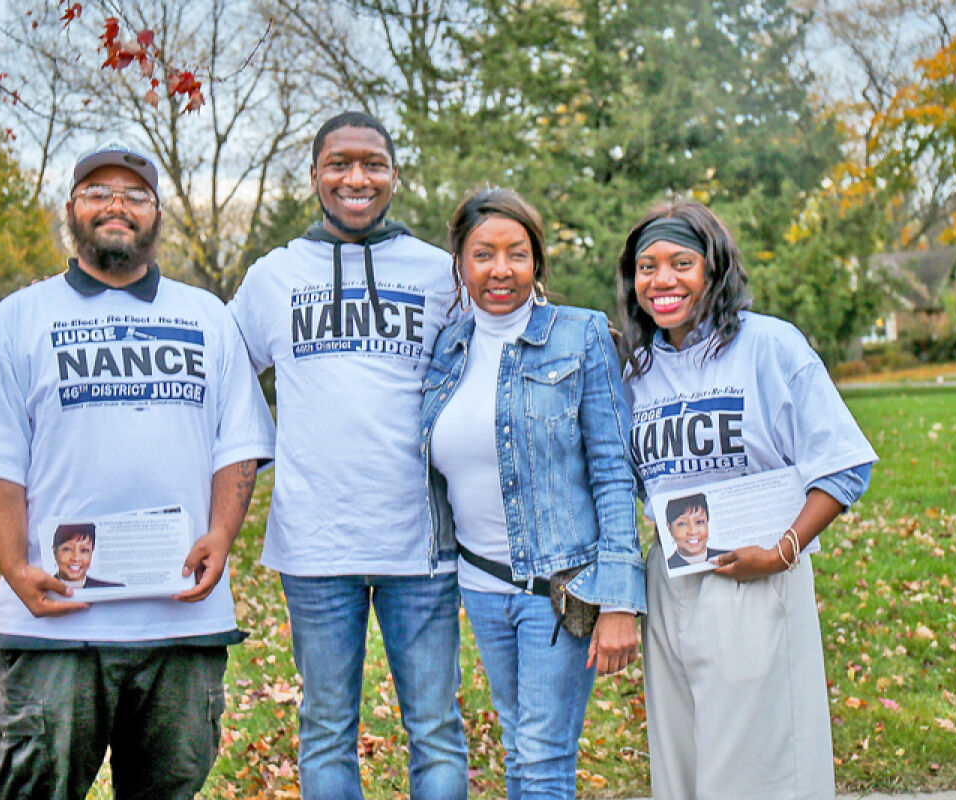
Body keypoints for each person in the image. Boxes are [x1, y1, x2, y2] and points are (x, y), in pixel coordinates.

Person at [0, 142, 276, 800]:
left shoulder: (207, 316)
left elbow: (240, 444)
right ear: (72, 211)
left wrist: (224, 536)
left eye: (135, 195)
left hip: (182, 619)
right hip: (56, 623)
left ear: (157, 215)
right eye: (97, 193)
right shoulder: (20, 319)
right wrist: (14, 567)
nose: (116, 205)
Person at [228, 112, 467, 800]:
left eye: (372, 163)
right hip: (313, 543)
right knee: (327, 725)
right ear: (315, 176)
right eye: (339, 164)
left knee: (436, 726)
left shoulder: (438, 274)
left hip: (420, 543)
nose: (355, 178)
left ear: (393, 175)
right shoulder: (274, 277)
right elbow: (223, 376)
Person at [617, 200, 877, 800]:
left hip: (754, 575)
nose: (662, 280)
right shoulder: (637, 369)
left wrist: (782, 552)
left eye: (681, 262)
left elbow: (843, 464)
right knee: (681, 765)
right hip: (671, 579)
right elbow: (626, 479)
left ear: (713, 268)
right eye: (646, 266)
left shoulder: (768, 345)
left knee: (759, 769)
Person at [421, 187, 645, 800]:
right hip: (481, 584)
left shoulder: (580, 336)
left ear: (537, 262)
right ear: (461, 265)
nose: (500, 270)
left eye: (516, 253)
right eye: (482, 254)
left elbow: (612, 468)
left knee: (544, 759)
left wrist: (620, 598)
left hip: (560, 589)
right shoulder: (448, 348)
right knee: (519, 749)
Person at [663, 494, 726, 569]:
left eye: (699, 522)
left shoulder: (729, 557)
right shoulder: (664, 567)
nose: (693, 531)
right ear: (670, 528)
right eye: (682, 524)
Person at [51, 523, 124, 588]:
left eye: (84, 550)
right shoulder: (42, 590)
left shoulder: (114, 589)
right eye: (68, 549)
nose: (76, 558)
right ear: (55, 551)